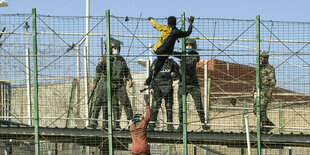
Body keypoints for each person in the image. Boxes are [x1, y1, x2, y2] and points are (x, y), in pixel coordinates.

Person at [88, 38, 133, 130]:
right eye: (114, 48)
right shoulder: (105, 58)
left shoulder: (121, 59)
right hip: (106, 82)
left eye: (117, 48)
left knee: (123, 102)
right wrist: (100, 64)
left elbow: (126, 70)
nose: (116, 50)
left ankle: (125, 123)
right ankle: (94, 122)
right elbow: (99, 71)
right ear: (110, 48)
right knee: (99, 101)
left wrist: (129, 79)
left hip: (119, 84)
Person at [144, 16, 194, 89]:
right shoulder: (177, 32)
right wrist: (190, 23)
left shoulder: (164, 28)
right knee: (158, 66)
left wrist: (151, 19)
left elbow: (155, 25)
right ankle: (149, 80)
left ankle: (149, 80)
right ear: (175, 23)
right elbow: (188, 33)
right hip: (167, 52)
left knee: (158, 65)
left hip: (157, 50)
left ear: (168, 22)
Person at [173, 38, 209, 131]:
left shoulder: (195, 55)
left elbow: (191, 64)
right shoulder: (182, 55)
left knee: (198, 104)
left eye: (190, 46)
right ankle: (181, 125)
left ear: (193, 47)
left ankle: (203, 124)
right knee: (181, 105)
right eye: (186, 45)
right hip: (182, 83)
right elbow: (173, 53)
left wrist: (182, 63)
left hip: (193, 84)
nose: (188, 47)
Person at [147, 58, 180, 131]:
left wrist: (174, 74)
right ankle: (152, 125)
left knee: (169, 106)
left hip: (168, 86)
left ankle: (170, 125)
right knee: (155, 106)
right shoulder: (156, 62)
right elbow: (151, 75)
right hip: (157, 87)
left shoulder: (171, 62)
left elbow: (178, 73)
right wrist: (151, 87)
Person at [253, 51, 276, 133]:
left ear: (267, 58)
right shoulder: (259, 67)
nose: (263, 59)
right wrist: (253, 89)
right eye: (262, 57)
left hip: (265, 91)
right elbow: (257, 79)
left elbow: (273, 81)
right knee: (255, 110)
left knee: (261, 109)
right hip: (258, 90)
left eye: (265, 57)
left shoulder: (269, 68)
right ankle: (267, 124)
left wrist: (270, 91)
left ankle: (265, 126)